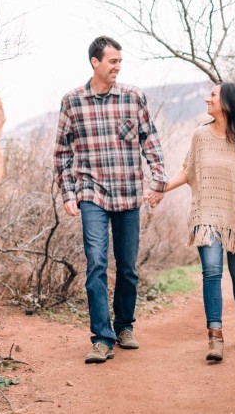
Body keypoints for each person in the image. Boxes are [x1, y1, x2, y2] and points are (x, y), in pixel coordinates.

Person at [54, 36, 167, 364]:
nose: (118, 66)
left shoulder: (133, 97)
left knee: (128, 268)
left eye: (120, 61)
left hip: (129, 192)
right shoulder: (72, 102)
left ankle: (124, 327)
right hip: (92, 194)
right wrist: (67, 193)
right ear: (95, 62)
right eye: (113, 61)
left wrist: (158, 181)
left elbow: (151, 142)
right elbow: (62, 152)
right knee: (97, 265)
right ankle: (101, 338)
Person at [157, 82, 235, 362]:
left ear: (226, 101)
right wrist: (160, 190)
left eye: (212, 95)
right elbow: (188, 171)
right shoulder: (200, 135)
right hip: (206, 214)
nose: (207, 99)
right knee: (211, 271)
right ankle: (215, 337)